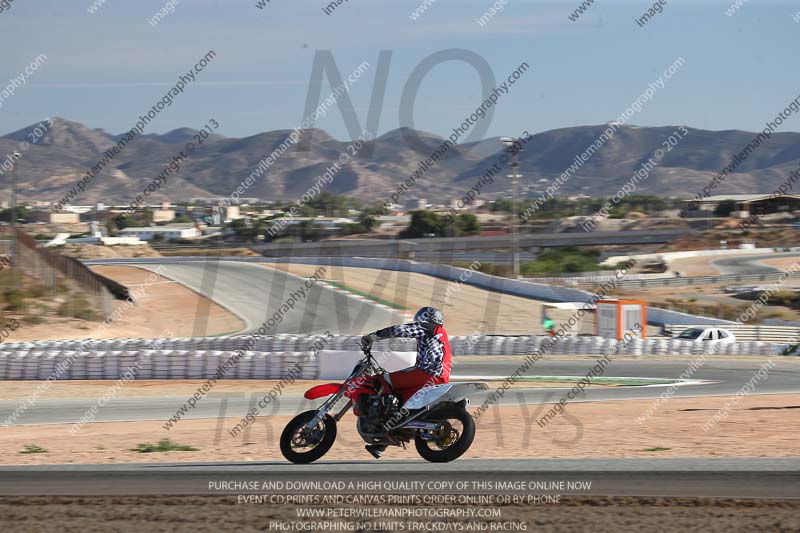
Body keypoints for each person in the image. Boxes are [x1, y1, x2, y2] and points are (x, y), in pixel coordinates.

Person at [359, 306, 452, 458]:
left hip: (427, 374)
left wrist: (374, 336)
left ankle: (378, 419)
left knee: (382, 379)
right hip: (439, 377)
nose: (417, 322)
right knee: (400, 395)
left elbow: (401, 330)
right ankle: (382, 442)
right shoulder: (440, 335)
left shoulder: (427, 328)